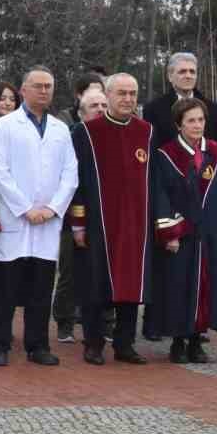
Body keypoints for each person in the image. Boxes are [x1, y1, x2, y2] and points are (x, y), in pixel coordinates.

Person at [0, 67, 78, 367]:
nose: (43, 91)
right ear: (23, 90)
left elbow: (70, 174)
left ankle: (37, 345)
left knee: (41, 288)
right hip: (15, 218)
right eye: (37, 86)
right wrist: (25, 208)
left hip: (48, 222)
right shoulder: (5, 126)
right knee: (5, 289)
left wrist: (52, 209)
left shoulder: (61, 129)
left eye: (48, 86)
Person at [69, 73, 155, 366]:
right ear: (108, 95)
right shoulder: (86, 132)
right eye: (122, 93)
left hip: (136, 223)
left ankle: (125, 343)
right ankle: (92, 343)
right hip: (99, 222)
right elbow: (75, 181)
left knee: (132, 284)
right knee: (96, 283)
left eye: (133, 93)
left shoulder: (146, 132)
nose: (128, 99)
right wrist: (78, 223)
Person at [151, 98, 217, 363]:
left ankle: (196, 340)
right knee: (180, 284)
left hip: (212, 231)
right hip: (183, 232)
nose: (197, 125)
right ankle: (178, 341)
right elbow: (161, 195)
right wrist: (170, 231)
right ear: (179, 124)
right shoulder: (165, 154)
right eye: (191, 120)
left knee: (208, 284)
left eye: (201, 120)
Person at [53, 76, 105, 344]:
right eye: (94, 105)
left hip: (105, 215)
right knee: (70, 270)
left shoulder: (113, 136)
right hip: (72, 212)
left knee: (103, 270)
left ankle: (104, 322)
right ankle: (64, 321)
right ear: (82, 112)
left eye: (103, 105)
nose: (100, 110)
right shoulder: (72, 137)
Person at [142, 52, 217, 151]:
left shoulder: (212, 108)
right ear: (170, 76)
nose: (188, 76)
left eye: (192, 72)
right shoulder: (153, 109)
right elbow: (150, 150)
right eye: (182, 71)